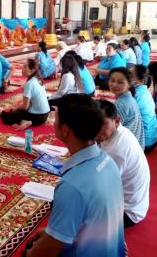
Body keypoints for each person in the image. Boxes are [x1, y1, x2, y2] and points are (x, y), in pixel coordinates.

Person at [24, 94, 125, 256]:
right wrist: (53, 232)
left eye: (56, 119)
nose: (54, 123)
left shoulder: (72, 186)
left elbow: (47, 252)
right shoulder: (107, 160)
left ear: (65, 130)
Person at [96, 99, 150, 228]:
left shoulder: (116, 150)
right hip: (136, 205)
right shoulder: (119, 132)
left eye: (103, 124)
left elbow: (99, 188)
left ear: (117, 120)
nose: (96, 129)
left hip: (126, 213)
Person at [0, 58, 50, 130]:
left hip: (35, 117)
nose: (22, 68)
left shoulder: (29, 84)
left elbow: (25, 107)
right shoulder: (38, 79)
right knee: (15, 111)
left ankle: (24, 121)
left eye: (25, 67)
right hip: (44, 116)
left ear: (32, 70)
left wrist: (16, 109)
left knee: (5, 116)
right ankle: (25, 120)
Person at [108, 68, 145, 150]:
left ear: (129, 84)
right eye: (112, 80)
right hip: (137, 144)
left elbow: (110, 132)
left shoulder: (120, 104)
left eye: (120, 82)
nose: (114, 85)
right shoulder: (129, 97)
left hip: (128, 148)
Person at [131, 65, 157, 152]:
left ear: (140, 81)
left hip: (144, 143)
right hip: (153, 138)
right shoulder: (144, 91)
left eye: (130, 75)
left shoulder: (136, 95)